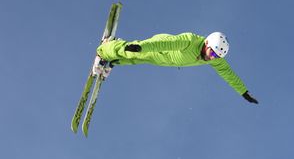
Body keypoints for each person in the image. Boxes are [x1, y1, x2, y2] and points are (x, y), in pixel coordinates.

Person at [93, 32, 258, 104]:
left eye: (216, 56)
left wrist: (243, 92)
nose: (211, 57)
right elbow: (165, 43)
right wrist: (141, 46)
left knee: (138, 60)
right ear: (207, 43)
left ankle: (113, 61)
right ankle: (105, 49)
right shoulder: (190, 41)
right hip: (161, 48)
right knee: (134, 53)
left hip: (166, 61)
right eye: (212, 53)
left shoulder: (212, 60)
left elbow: (228, 73)